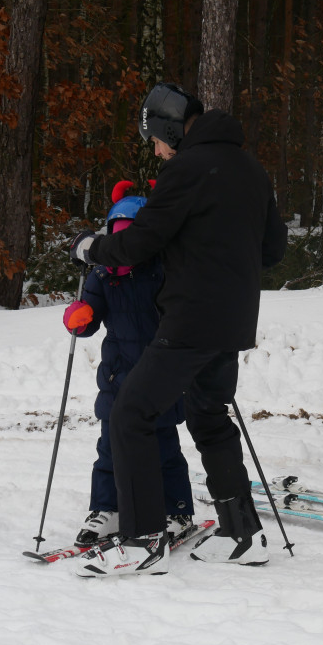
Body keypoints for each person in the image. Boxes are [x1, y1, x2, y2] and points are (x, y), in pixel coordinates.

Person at [68, 82, 287, 578]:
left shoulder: (184, 170)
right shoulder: (253, 171)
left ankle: (142, 538)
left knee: (130, 414)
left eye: (155, 140)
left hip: (190, 318)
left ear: (169, 127)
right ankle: (241, 534)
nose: (157, 150)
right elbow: (272, 251)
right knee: (208, 416)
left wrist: (89, 247)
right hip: (232, 321)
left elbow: (137, 245)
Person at [61, 181, 194, 548]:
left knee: (164, 444)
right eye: (117, 240)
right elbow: (88, 320)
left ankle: (177, 509)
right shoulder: (102, 274)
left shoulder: (164, 270)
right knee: (109, 446)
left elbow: (182, 310)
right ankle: (109, 508)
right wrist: (81, 317)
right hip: (118, 374)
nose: (123, 250)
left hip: (160, 373)